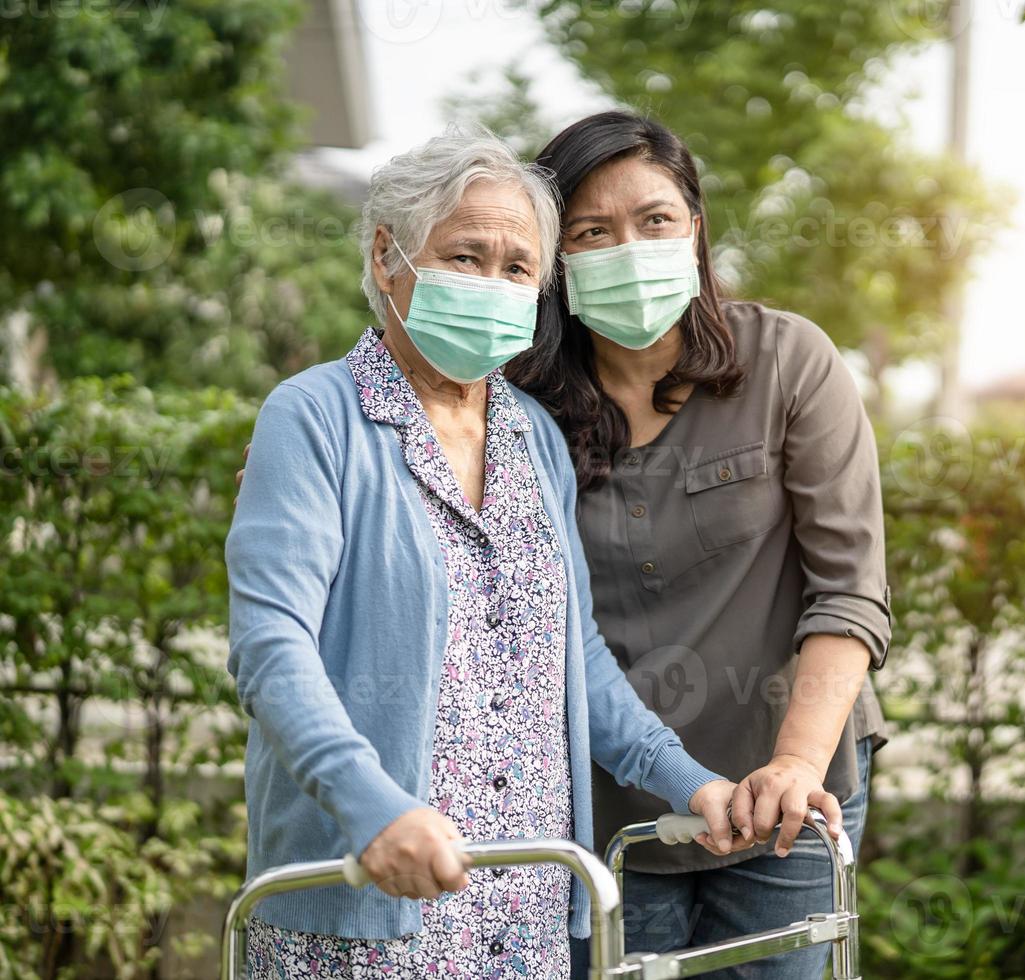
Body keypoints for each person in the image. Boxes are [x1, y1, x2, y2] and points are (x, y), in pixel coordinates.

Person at [227, 130, 751, 980]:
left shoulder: (531, 432)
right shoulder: (314, 418)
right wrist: (373, 811)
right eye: (466, 255)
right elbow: (270, 651)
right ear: (386, 257)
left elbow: (574, 657)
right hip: (369, 902)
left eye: (517, 269)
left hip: (527, 909)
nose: (494, 284)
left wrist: (694, 784)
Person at [507, 111, 890, 979]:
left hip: (788, 794)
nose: (628, 249)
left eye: (654, 220)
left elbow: (850, 592)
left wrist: (793, 763)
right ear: (554, 260)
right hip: (609, 809)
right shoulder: (512, 409)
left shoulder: (790, 361)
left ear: (695, 228)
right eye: (590, 232)